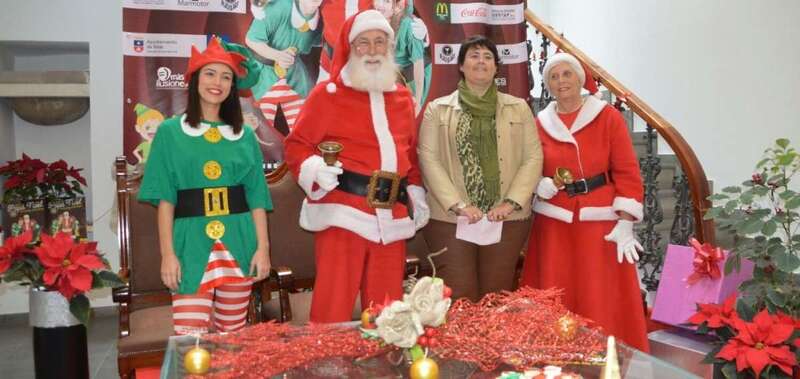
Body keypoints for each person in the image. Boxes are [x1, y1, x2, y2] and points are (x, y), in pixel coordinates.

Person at [284, 10, 430, 323]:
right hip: (343, 214)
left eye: (380, 42)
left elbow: (409, 156)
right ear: (350, 49)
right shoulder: (327, 96)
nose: (373, 50)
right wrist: (313, 169)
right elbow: (296, 146)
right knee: (333, 305)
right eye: (364, 43)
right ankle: (325, 368)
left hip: (392, 218)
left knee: (388, 310)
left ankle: (383, 369)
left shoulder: (403, 98)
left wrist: (415, 192)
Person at [138, 37, 273, 335]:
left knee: (232, 336)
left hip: (240, 240)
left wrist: (262, 249)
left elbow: (257, 199)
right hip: (189, 243)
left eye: (226, 77)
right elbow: (165, 199)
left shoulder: (245, 136)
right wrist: (168, 254)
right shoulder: (171, 132)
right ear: (195, 79)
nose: (218, 82)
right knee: (190, 337)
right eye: (210, 73)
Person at [519, 52, 648, 351]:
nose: (561, 81)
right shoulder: (540, 123)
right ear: (547, 84)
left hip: (600, 221)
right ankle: (556, 355)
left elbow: (627, 171)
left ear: (580, 79)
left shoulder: (607, 117)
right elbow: (528, 164)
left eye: (567, 74)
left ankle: (605, 354)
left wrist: (625, 221)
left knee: (599, 292)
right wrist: (540, 184)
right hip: (555, 222)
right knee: (555, 290)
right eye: (554, 76)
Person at [417, 35, 542, 302]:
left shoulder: (519, 108)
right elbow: (429, 158)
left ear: (497, 67)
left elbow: (533, 158)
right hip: (450, 219)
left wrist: (510, 203)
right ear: (461, 65)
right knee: (458, 294)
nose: (481, 62)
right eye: (473, 56)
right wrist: (458, 204)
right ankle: (459, 346)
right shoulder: (437, 110)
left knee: (496, 297)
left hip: (506, 219)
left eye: (487, 57)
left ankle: (493, 346)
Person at [245, 0, 323, 131]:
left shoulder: (322, 16)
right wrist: (277, 55)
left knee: (304, 128)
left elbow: (319, 42)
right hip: (264, 76)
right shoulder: (278, 8)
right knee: (260, 131)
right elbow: (251, 39)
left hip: (295, 77)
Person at [372, 0, 431, 116]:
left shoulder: (411, 27)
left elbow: (418, 67)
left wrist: (418, 103)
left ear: (398, 7)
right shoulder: (377, 22)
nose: (379, 4)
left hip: (414, 77)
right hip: (393, 74)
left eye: (387, 1)